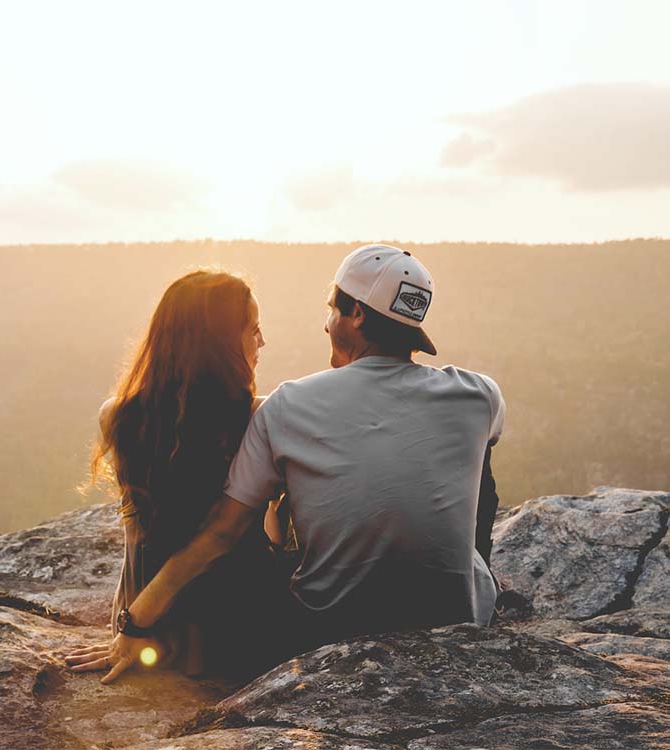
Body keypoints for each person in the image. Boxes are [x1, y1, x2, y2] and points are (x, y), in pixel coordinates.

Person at [71, 244, 505, 682]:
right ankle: (469, 584)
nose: (324, 323)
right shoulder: (480, 395)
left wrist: (136, 620)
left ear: (355, 313)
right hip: (457, 623)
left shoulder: (287, 407)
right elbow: (477, 482)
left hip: (324, 630)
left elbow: (221, 533)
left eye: (332, 309)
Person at [65, 269, 286, 682]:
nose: (262, 341)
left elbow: (137, 538)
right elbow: (226, 537)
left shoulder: (116, 415)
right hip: (240, 626)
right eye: (253, 330)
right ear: (220, 345)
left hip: (156, 628)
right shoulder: (260, 417)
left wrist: (129, 625)